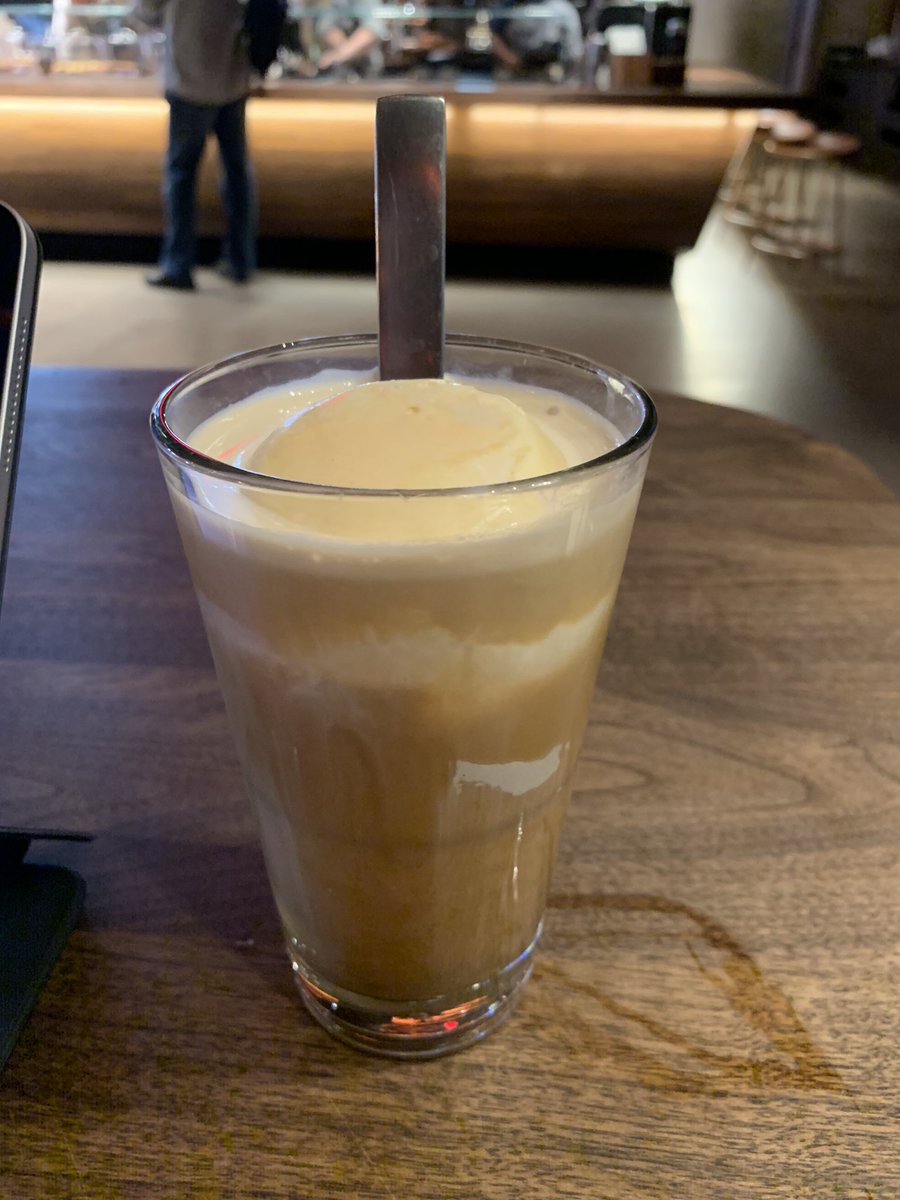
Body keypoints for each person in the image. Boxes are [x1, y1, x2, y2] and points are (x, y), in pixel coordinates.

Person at [133, 0, 256, 289]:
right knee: (237, 174)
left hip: (188, 80)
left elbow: (145, 12)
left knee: (181, 176)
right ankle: (240, 260)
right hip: (233, 78)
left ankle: (178, 265)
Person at [490, 0, 584, 79]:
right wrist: (513, 61)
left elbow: (575, 53)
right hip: (514, 72)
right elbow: (492, 35)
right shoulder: (510, 5)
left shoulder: (564, 9)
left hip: (552, 72)